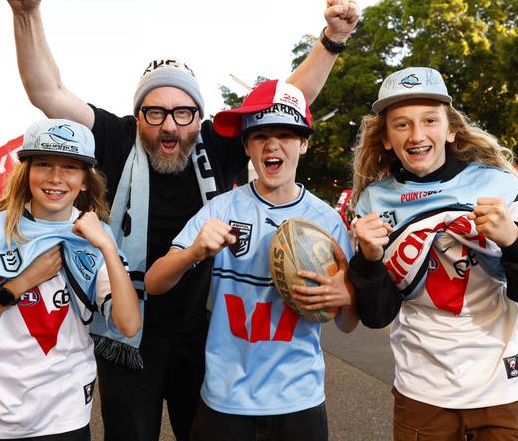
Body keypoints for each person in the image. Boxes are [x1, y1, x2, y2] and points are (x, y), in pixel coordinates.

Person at [0, 0, 360, 441]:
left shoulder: (218, 144)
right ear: (137, 115)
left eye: (183, 112)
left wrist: (333, 39)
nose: (170, 126)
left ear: (199, 115)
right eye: (156, 112)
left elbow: (288, 100)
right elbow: (47, 92)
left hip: (206, 334)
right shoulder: (113, 137)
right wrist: (26, 13)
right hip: (127, 329)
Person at [145, 79, 359, 441]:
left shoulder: (326, 220)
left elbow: (348, 324)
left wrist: (347, 296)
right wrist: (195, 252)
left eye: (286, 135)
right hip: (225, 402)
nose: (273, 145)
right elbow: (154, 282)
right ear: (246, 146)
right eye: (260, 135)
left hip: (298, 401)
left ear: (304, 143)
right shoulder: (221, 208)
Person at [348, 67, 518, 440]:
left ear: (450, 130)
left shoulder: (503, 184)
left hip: (504, 386)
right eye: (401, 124)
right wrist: (367, 262)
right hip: (422, 391)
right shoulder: (372, 201)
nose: (417, 135)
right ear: (386, 139)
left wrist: (514, 240)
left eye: (429, 120)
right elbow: (377, 314)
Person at [0, 119, 141, 441]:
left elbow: (129, 324)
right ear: (27, 172)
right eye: (44, 164)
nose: (55, 178)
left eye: (70, 167)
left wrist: (105, 244)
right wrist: (20, 284)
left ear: (85, 181)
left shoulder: (96, 236)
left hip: (64, 415)